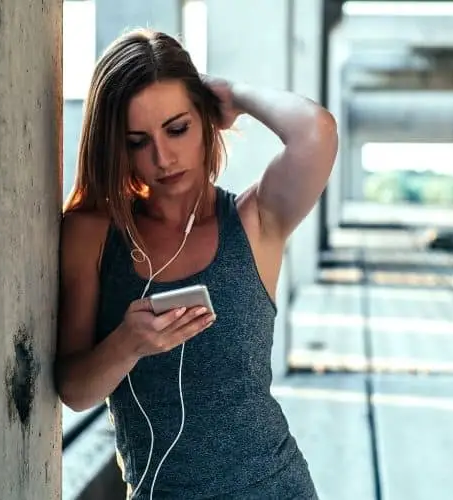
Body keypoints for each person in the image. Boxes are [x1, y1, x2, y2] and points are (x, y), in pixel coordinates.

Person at [56, 28, 337, 500]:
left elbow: (316, 131)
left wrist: (235, 95)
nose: (162, 157)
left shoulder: (255, 222)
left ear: (206, 122)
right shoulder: (91, 234)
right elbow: (75, 390)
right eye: (137, 140)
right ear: (115, 146)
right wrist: (128, 343)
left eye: (178, 128)